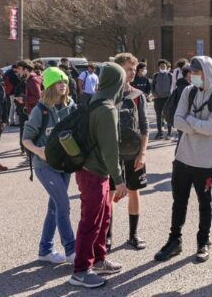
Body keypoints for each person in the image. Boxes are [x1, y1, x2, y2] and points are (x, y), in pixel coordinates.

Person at [154, 56, 212, 263]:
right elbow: (177, 120)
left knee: (205, 203)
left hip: (206, 161)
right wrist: (197, 125)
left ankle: (203, 241)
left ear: (207, 73)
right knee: (179, 201)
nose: (192, 77)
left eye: (196, 73)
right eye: (192, 73)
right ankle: (174, 240)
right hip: (183, 157)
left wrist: (190, 121)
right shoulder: (188, 91)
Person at [70, 62, 128, 289]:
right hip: (94, 172)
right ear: (117, 83)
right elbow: (110, 149)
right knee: (91, 222)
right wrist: (120, 180)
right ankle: (81, 270)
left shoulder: (95, 99)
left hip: (91, 170)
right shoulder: (107, 108)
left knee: (102, 218)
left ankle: (99, 259)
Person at [22, 67, 77, 267]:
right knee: (63, 205)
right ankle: (72, 250)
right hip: (44, 166)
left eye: (65, 82)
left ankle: (45, 250)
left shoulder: (71, 106)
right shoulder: (40, 110)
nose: (63, 85)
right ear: (50, 86)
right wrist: (39, 151)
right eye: (59, 82)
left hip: (65, 165)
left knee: (54, 207)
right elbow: (25, 139)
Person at [106, 53, 150, 251]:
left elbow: (144, 127)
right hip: (111, 154)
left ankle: (133, 235)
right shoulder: (107, 94)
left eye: (134, 69)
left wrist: (143, 153)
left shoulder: (138, 96)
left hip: (133, 153)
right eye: (128, 69)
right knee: (109, 194)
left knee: (134, 191)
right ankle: (107, 236)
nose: (132, 72)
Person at [152, 59, 174, 140]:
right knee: (158, 116)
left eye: (164, 66)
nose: (163, 67)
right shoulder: (155, 75)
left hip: (168, 98)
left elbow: (173, 86)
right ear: (158, 67)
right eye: (161, 66)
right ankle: (159, 133)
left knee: (168, 115)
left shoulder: (170, 75)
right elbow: (152, 86)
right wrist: (154, 93)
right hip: (158, 99)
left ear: (166, 66)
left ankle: (169, 133)